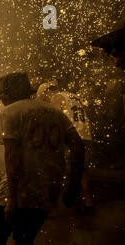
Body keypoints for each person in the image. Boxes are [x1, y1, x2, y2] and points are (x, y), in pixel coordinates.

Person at [0, 73, 85, 245]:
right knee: (24, 237)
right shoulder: (54, 112)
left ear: (9, 95)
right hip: (49, 186)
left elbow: (12, 156)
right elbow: (78, 146)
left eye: (3, 96)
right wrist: (73, 185)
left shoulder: (11, 112)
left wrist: (12, 200)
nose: (2, 101)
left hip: (20, 185)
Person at [37, 81, 94, 211]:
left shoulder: (57, 97)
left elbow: (55, 118)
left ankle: (53, 202)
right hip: (85, 134)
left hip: (71, 137)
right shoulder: (74, 96)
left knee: (55, 167)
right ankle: (88, 201)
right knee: (81, 170)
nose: (45, 101)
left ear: (47, 92)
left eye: (44, 98)